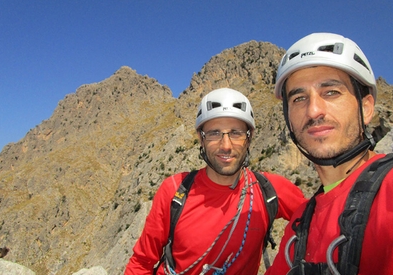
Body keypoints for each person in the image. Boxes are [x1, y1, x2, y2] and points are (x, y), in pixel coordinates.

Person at [265, 32, 393, 275]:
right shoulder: (298, 225)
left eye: (331, 92)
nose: (314, 110)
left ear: (366, 108)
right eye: (299, 98)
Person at [124, 88, 305, 275]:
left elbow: (321, 224)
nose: (226, 145)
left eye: (236, 133)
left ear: (249, 139)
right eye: (214, 133)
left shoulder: (269, 190)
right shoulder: (174, 191)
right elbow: (141, 263)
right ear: (200, 139)